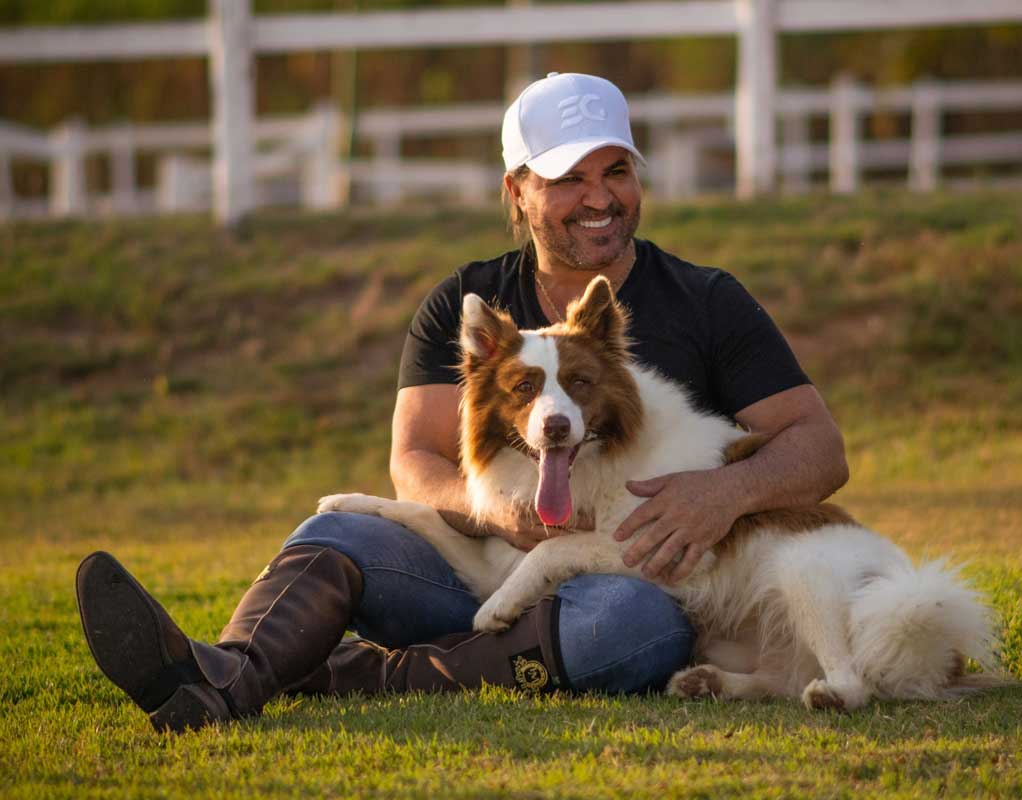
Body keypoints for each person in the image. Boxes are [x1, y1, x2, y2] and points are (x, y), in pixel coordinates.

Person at [75, 72, 849, 733]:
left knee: (631, 631)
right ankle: (223, 678)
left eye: (616, 171)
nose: (600, 198)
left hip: (634, 587)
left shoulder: (708, 300)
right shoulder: (465, 304)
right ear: (517, 190)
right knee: (337, 527)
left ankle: (355, 676)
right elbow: (414, 457)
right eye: (569, 179)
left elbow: (819, 448)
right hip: (478, 570)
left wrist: (721, 495)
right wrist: (494, 513)